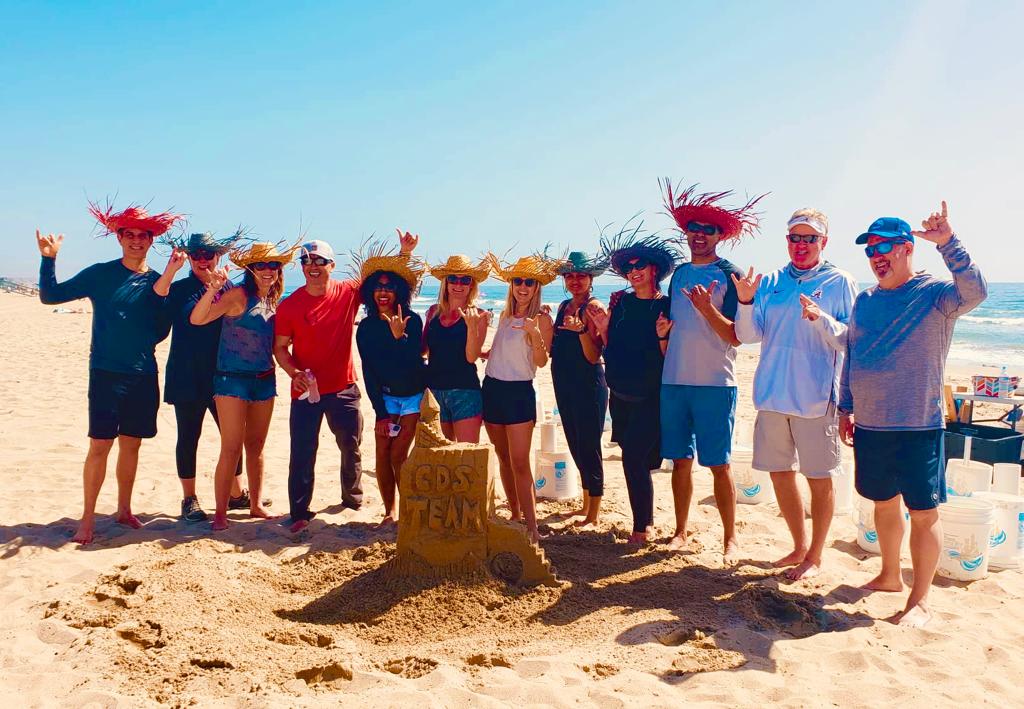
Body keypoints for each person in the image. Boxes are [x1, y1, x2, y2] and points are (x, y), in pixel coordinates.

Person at [839, 202, 986, 627]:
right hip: (869, 423)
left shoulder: (935, 294)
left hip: (918, 424)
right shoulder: (865, 300)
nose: (875, 255)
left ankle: (920, 601)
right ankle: (888, 576)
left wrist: (949, 245)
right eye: (869, 249)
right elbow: (854, 354)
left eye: (884, 246)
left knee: (923, 512)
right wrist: (847, 405)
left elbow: (975, 292)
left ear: (907, 248)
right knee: (883, 504)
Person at [37, 202, 182, 544]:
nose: (135, 241)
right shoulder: (100, 273)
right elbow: (50, 296)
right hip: (105, 373)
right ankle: (86, 521)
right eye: (128, 234)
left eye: (142, 235)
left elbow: (159, 332)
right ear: (119, 238)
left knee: (132, 446)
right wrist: (48, 259)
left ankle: (124, 509)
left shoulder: (157, 282)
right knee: (100, 445)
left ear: (150, 241)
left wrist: (167, 282)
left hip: (143, 375)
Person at [733, 208, 857, 578]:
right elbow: (748, 335)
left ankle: (815, 556)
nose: (801, 245)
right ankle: (799, 547)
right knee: (779, 473)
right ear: (786, 240)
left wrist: (822, 319)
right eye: (795, 238)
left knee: (819, 479)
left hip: (816, 400)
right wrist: (744, 302)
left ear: (824, 242)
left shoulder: (840, 281)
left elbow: (851, 339)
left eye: (810, 238)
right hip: (772, 395)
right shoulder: (770, 280)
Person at [275, 231, 419, 533]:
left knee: (350, 445)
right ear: (301, 266)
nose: (313, 265)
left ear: (331, 265)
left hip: (344, 387)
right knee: (302, 450)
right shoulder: (289, 306)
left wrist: (405, 253)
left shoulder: (348, 292)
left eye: (320, 261)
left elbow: (388, 284)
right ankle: (300, 511)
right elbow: (280, 348)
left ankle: (352, 498)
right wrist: (294, 373)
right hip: (306, 391)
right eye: (307, 261)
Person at [660, 180, 765, 559]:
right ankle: (680, 530)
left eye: (708, 230)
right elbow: (673, 329)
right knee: (679, 461)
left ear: (720, 235)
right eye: (694, 229)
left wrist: (708, 310)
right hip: (674, 381)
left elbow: (738, 336)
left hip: (715, 384)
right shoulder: (679, 274)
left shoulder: (730, 274)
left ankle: (730, 537)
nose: (699, 235)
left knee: (719, 464)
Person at [590, 221, 681, 544]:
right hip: (621, 392)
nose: (633, 271)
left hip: (651, 394)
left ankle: (643, 527)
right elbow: (610, 346)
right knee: (634, 459)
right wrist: (602, 329)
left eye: (639, 265)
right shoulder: (621, 302)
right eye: (629, 267)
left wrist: (662, 336)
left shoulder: (666, 305)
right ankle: (644, 521)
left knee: (634, 459)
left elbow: (670, 356)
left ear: (654, 269)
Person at [190, 241, 290, 530]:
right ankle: (220, 514)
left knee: (257, 447)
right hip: (231, 380)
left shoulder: (274, 299)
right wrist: (212, 289)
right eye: (261, 265)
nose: (268, 270)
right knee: (231, 448)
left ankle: (255, 505)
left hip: (264, 380)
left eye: (273, 265)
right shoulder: (238, 295)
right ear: (250, 268)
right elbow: (198, 319)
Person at [154, 231, 251, 523]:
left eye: (208, 254)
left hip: (224, 374)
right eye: (196, 255)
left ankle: (236, 494)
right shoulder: (178, 289)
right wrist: (170, 271)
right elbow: (157, 304)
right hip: (186, 373)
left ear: (217, 256)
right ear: (189, 258)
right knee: (188, 436)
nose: (202, 260)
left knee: (233, 436)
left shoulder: (230, 288)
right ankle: (189, 498)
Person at [482, 253, 558, 543]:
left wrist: (536, 334)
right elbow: (504, 353)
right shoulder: (503, 315)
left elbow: (540, 362)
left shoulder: (541, 319)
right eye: (518, 281)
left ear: (537, 287)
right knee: (502, 458)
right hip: (492, 388)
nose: (523, 287)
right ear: (511, 284)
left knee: (520, 462)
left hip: (519, 393)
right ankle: (514, 514)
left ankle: (533, 528)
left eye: (529, 282)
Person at [354, 246, 427, 525]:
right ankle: (390, 511)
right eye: (378, 287)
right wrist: (381, 413)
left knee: (399, 453)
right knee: (382, 453)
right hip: (385, 399)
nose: (383, 293)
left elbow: (412, 364)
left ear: (399, 292)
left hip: (413, 396)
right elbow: (369, 372)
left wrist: (400, 337)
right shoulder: (366, 327)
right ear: (371, 292)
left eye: (390, 288)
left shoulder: (413, 320)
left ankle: (410, 508)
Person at [551, 251, 609, 527]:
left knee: (589, 445)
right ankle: (586, 504)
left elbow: (593, 355)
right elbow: (554, 347)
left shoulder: (594, 308)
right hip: (563, 382)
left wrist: (581, 332)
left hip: (588, 384)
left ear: (590, 279)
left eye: (581, 276)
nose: (575, 281)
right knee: (575, 444)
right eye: (570, 276)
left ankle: (593, 513)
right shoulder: (564, 306)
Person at [422, 255, 491, 443]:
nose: (458, 284)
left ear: (471, 285)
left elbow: (470, 357)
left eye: (465, 280)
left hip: (465, 391)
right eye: (453, 278)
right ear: (446, 282)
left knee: (466, 458)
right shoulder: (432, 312)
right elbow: (423, 350)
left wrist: (471, 327)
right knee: (439, 458)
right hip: (433, 392)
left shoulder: (480, 316)